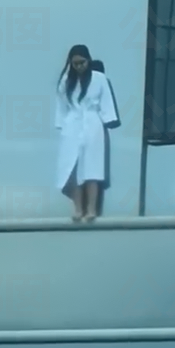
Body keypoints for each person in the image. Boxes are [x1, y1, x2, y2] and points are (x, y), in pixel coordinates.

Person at [55, 44, 118, 222]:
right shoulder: (66, 81)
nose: (79, 67)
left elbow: (106, 101)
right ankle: (78, 208)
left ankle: (91, 209)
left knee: (93, 168)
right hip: (72, 126)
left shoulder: (99, 78)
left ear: (88, 60)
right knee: (73, 168)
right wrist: (62, 125)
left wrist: (108, 119)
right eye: (75, 63)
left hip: (93, 124)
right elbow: (61, 106)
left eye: (82, 62)